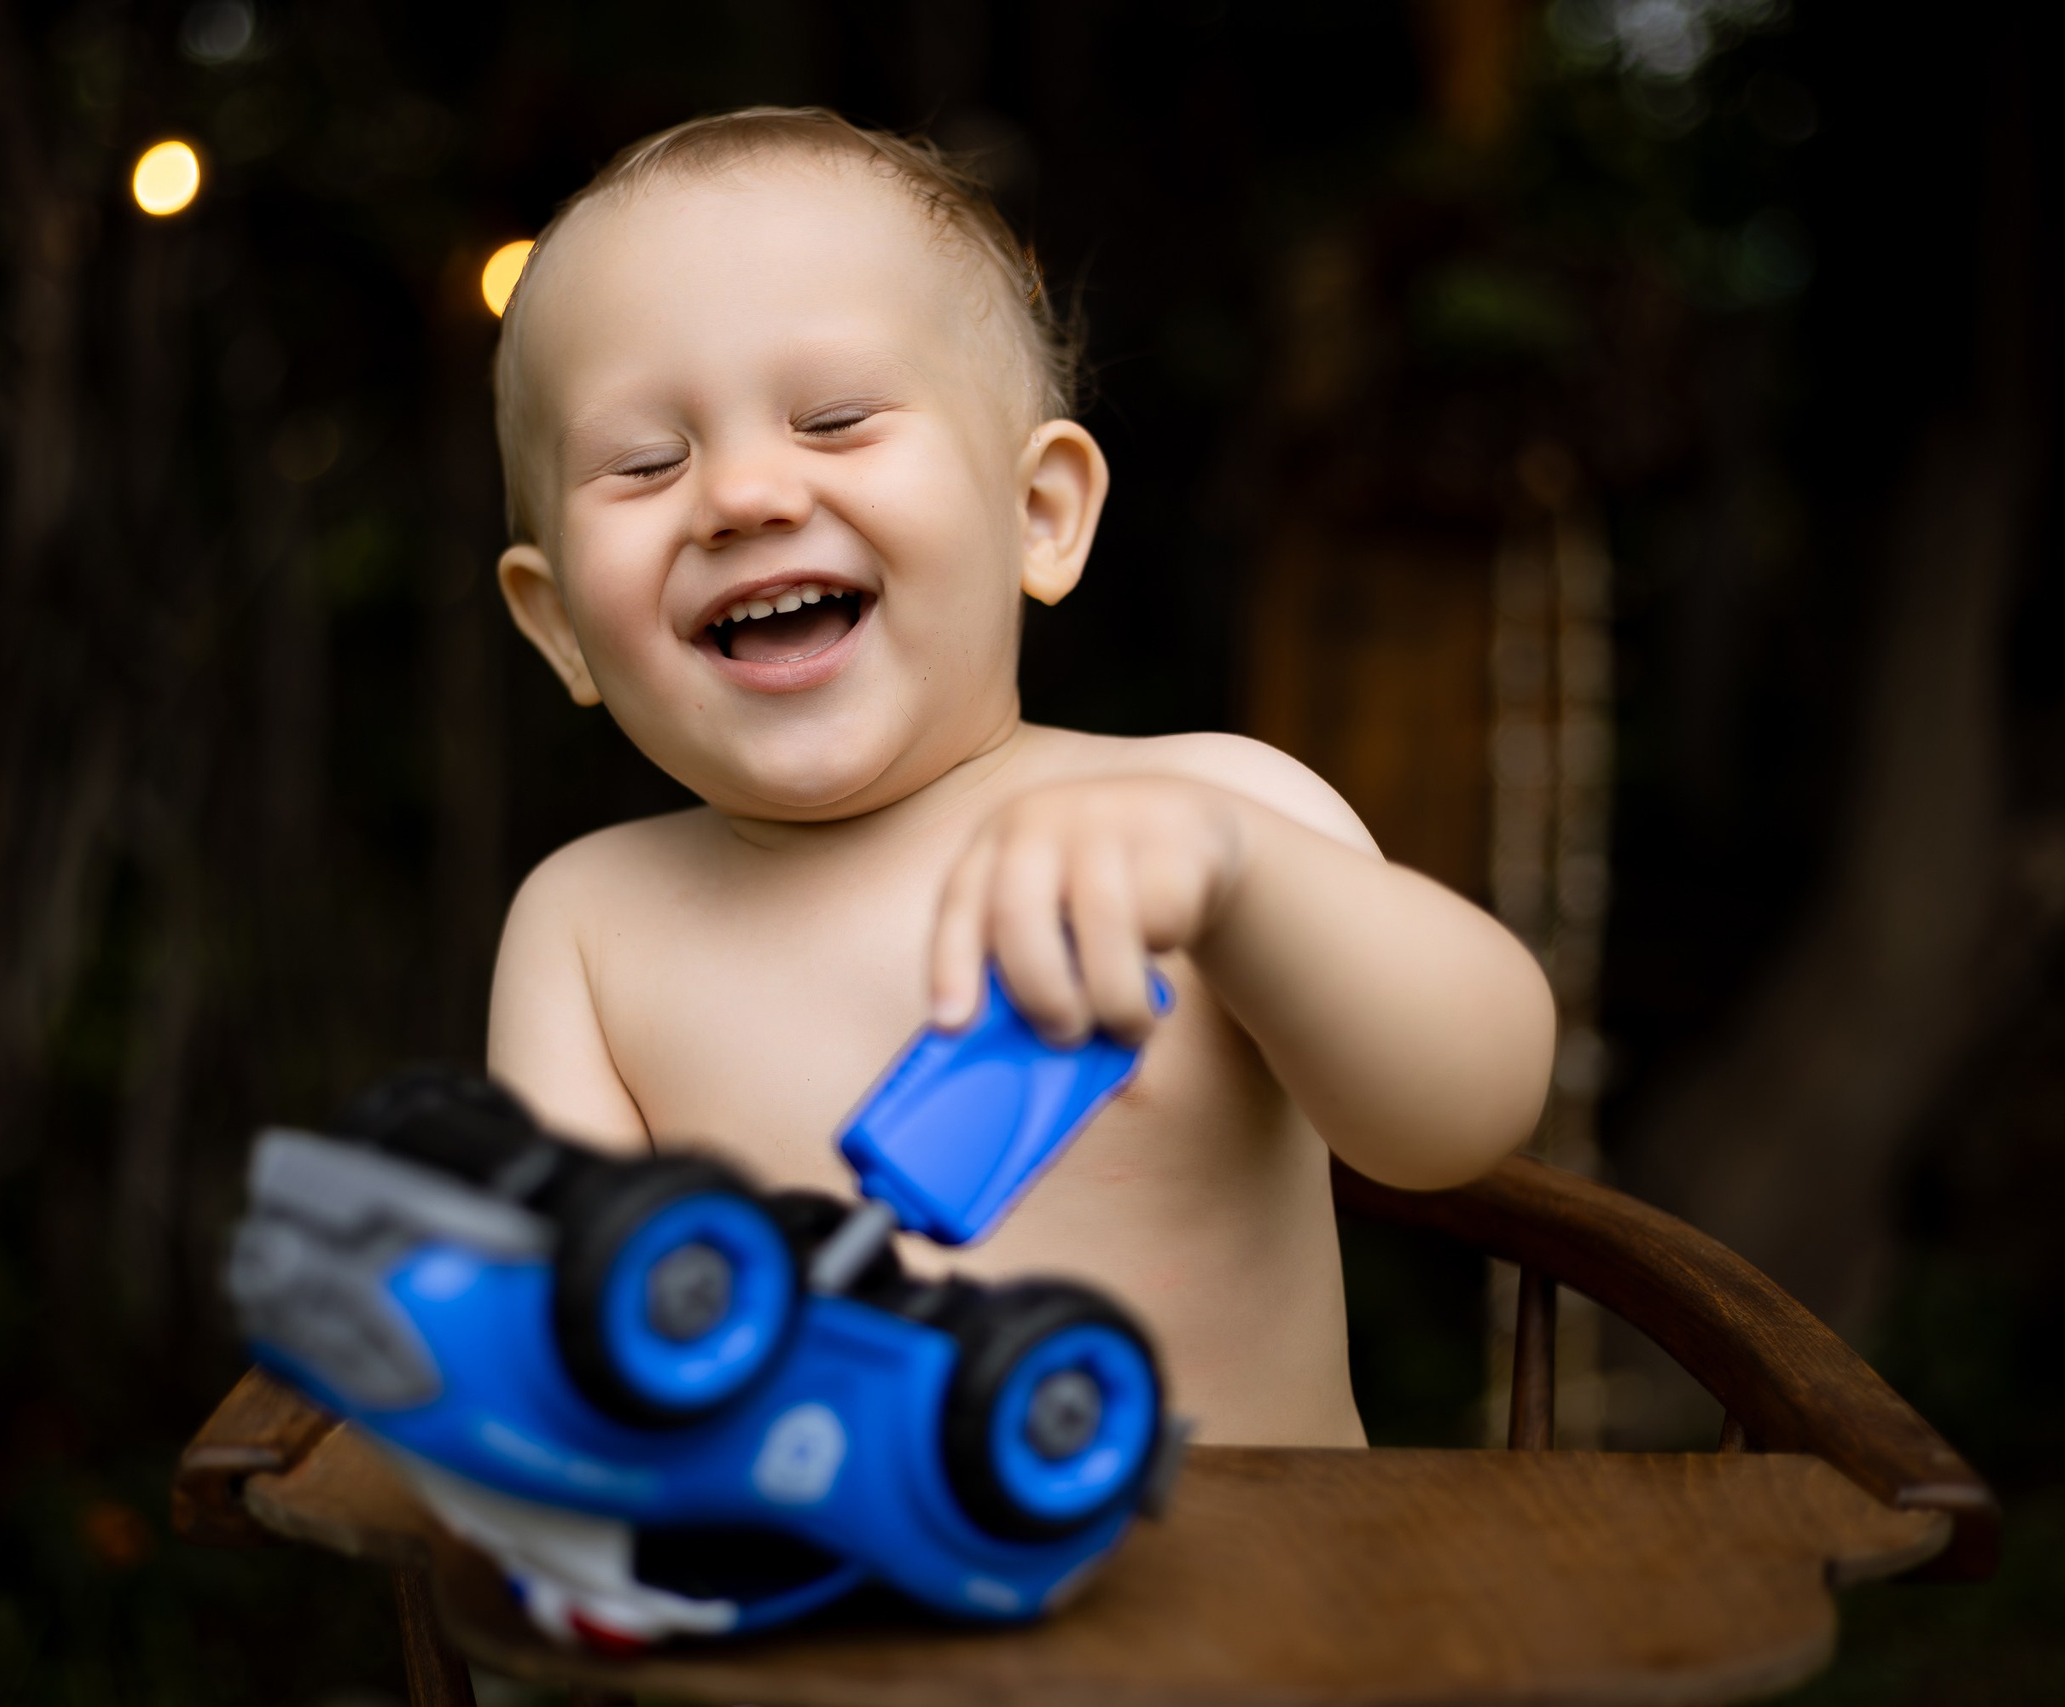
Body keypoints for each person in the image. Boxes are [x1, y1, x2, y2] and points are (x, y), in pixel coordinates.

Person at [483, 108, 1555, 1448]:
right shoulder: (591, 926)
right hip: (833, 1639)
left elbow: (1463, 1116)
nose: (745, 494)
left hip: (1261, 1636)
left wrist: (1243, 882)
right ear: (560, 625)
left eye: (834, 417)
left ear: (1038, 513)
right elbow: (564, 1351)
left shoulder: (1210, 815)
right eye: (646, 461)